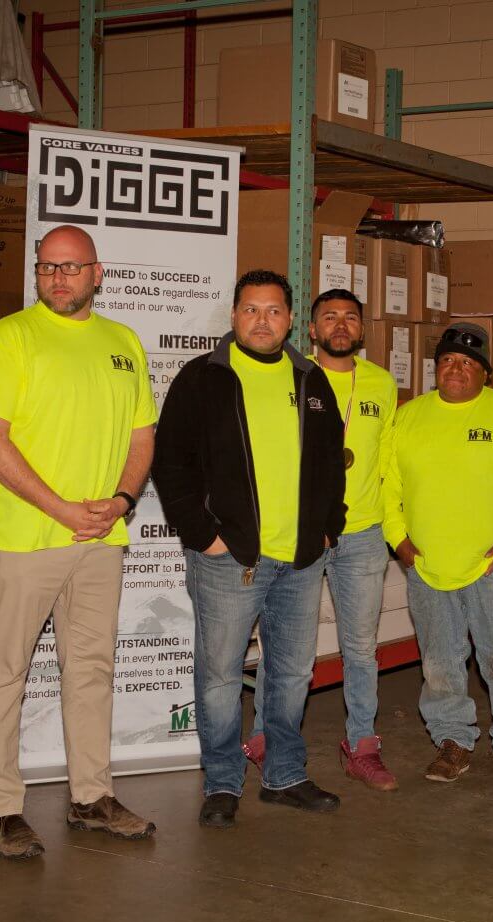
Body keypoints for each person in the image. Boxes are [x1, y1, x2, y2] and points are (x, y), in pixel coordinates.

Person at [0, 225, 157, 858]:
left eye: (71, 268)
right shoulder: (10, 338)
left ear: (98, 273)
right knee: (3, 674)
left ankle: (91, 796)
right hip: (24, 540)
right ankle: (0, 807)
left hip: (102, 538)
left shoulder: (123, 342)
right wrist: (63, 508)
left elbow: (141, 437)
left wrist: (121, 501)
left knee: (92, 671)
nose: (59, 278)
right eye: (48, 268)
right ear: (36, 273)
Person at [152, 270, 346, 829]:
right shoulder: (202, 378)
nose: (263, 320)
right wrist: (204, 535)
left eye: (274, 310)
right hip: (229, 559)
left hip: (302, 559)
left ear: (290, 320)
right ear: (234, 315)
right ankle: (221, 782)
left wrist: (329, 526)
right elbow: (172, 464)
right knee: (218, 676)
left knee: (291, 673)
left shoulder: (310, 379)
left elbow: (334, 460)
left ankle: (284, 775)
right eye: (251, 310)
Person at [383, 323, 493, 791]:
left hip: (492, 567)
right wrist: (398, 539)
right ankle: (453, 741)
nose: (455, 369)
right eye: (446, 361)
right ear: (435, 368)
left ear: (485, 373)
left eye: (467, 362)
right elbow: (389, 484)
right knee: (440, 662)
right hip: (427, 567)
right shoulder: (409, 416)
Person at [244, 289, 399, 790]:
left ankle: (361, 745)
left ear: (361, 330)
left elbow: (388, 461)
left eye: (350, 318)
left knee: (361, 647)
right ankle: (266, 737)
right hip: (304, 532)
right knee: (288, 650)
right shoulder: (292, 375)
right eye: (328, 317)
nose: (339, 325)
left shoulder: (382, 384)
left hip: (364, 533)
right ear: (309, 329)